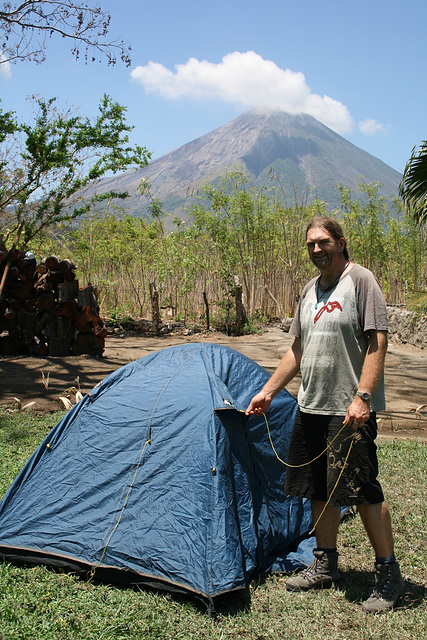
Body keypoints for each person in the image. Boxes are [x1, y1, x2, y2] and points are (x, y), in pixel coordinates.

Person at [246, 216, 404, 613]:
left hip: (348, 409)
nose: (317, 249)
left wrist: (363, 396)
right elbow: (296, 351)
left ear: (340, 242)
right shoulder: (309, 290)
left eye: (323, 242)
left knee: (363, 489)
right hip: (310, 404)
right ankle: (325, 563)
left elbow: (378, 341)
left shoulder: (361, 280)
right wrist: (268, 392)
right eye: (311, 244)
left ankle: (388, 574)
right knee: (317, 487)